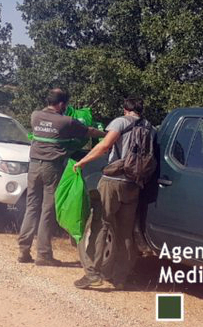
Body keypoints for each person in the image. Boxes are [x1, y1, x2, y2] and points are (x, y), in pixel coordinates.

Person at [17, 88, 106, 266]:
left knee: (32, 206)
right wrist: (106, 134)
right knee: (47, 210)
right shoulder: (66, 121)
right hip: (52, 167)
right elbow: (88, 131)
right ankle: (43, 254)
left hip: (33, 166)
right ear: (62, 104)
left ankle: (23, 250)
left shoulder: (35, 116)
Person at [72, 97, 152, 288]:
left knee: (101, 225)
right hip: (134, 184)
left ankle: (93, 273)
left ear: (125, 109)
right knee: (125, 233)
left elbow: (105, 145)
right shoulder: (150, 127)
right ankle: (121, 278)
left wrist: (83, 161)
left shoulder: (120, 122)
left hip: (112, 182)